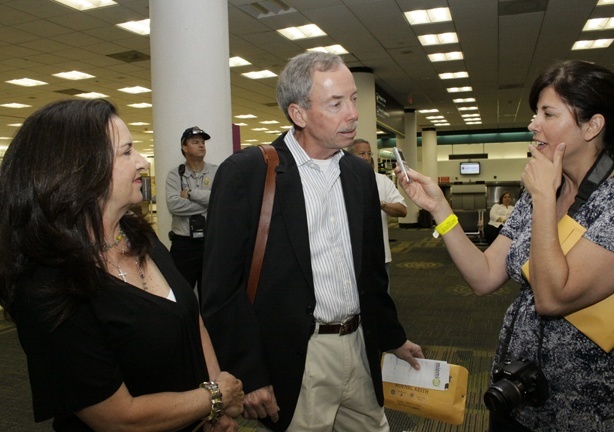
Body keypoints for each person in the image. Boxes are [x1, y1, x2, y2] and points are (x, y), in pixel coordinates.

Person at [394, 60, 614, 431]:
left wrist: (545, 197)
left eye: (548, 113)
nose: (533, 125)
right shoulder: (541, 192)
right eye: (535, 113)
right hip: (519, 397)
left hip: (591, 410)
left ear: (593, 126)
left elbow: (553, 297)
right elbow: (483, 277)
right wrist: (439, 208)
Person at [201, 51, 423, 432]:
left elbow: (370, 273)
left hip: (358, 347)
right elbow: (220, 289)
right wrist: (248, 372)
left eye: (353, 98)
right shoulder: (248, 173)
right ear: (298, 114)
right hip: (300, 356)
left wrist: (392, 336)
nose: (353, 113)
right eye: (336, 103)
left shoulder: (358, 174)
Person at [0, 99, 244, 431]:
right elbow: (117, 418)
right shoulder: (49, 285)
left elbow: (191, 318)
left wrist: (214, 408)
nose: (143, 163)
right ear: (79, 170)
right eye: (127, 152)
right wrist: (214, 397)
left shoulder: (137, 234)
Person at [347, 139, 407, 292]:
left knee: (381, 300)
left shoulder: (382, 181)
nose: (366, 157)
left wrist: (382, 204)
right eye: (362, 153)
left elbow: (402, 210)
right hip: (349, 256)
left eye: (369, 153)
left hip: (379, 256)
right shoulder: (341, 181)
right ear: (349, 156)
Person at [166, 126, 218, 297]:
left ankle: (209, 324)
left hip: (210, 243)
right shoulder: (175, 175)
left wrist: (190, 194)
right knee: (182, 293)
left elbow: (221, 198)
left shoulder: (217, 171)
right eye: (195, 142)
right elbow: (174, 205)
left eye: (203, 142)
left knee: (211, 293)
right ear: (184, 147)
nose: (201, 145)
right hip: (184, 246)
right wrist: (209, 202)